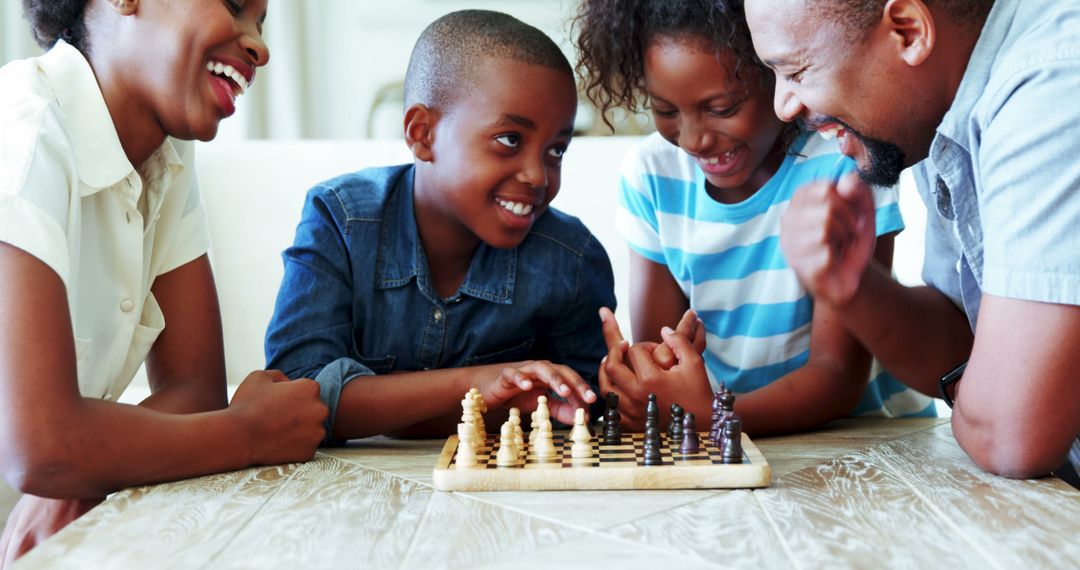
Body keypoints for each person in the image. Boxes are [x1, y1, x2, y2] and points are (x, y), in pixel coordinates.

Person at [0, 0, 328, 562]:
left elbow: (195, 391)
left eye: (261, 22)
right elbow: (41, 447)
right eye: (234, 6)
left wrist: (87, 468)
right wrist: (248, 432)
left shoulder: (166, 153)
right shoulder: (23, 133)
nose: (260, 46)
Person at [744, 0, 1080, 480]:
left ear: (908, 30)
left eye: (797, 71)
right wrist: (853, 286)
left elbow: (1012, 437)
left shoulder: (1052, 85)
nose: (783, 106)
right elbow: (963, 343)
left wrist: (999, 394)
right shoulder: (932, 108)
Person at [570, 0, 930, 434]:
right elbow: (660, 357)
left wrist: (709, 418)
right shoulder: (653, 175)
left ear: (776, 76)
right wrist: (641, 379)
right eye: (665, 110)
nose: (693, 139)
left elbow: (837, 376)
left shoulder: (845, 161)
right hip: (728, 439)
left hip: (864, 439)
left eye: (720, 108)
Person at [264, 10, 615, 443]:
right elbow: (291, 400)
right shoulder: (340, 221)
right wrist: (476, 386)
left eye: (556, 151)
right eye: (510, 139)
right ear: (423, 133)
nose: (538, 176)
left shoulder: (572, 260)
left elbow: (586, 409)